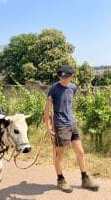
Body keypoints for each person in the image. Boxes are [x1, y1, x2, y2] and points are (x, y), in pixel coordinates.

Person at [43, 65, 99, 193]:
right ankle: (60, 180)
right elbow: (47, 109)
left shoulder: (73, 88)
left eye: (66, 77)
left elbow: (68, 103)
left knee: (80, 152)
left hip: (72, 124)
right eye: (61, 77)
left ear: (71, 77)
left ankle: (85, 179)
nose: (63, 80)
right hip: (60, 126)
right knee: (60, 154)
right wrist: (48, 126)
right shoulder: (53, 89)